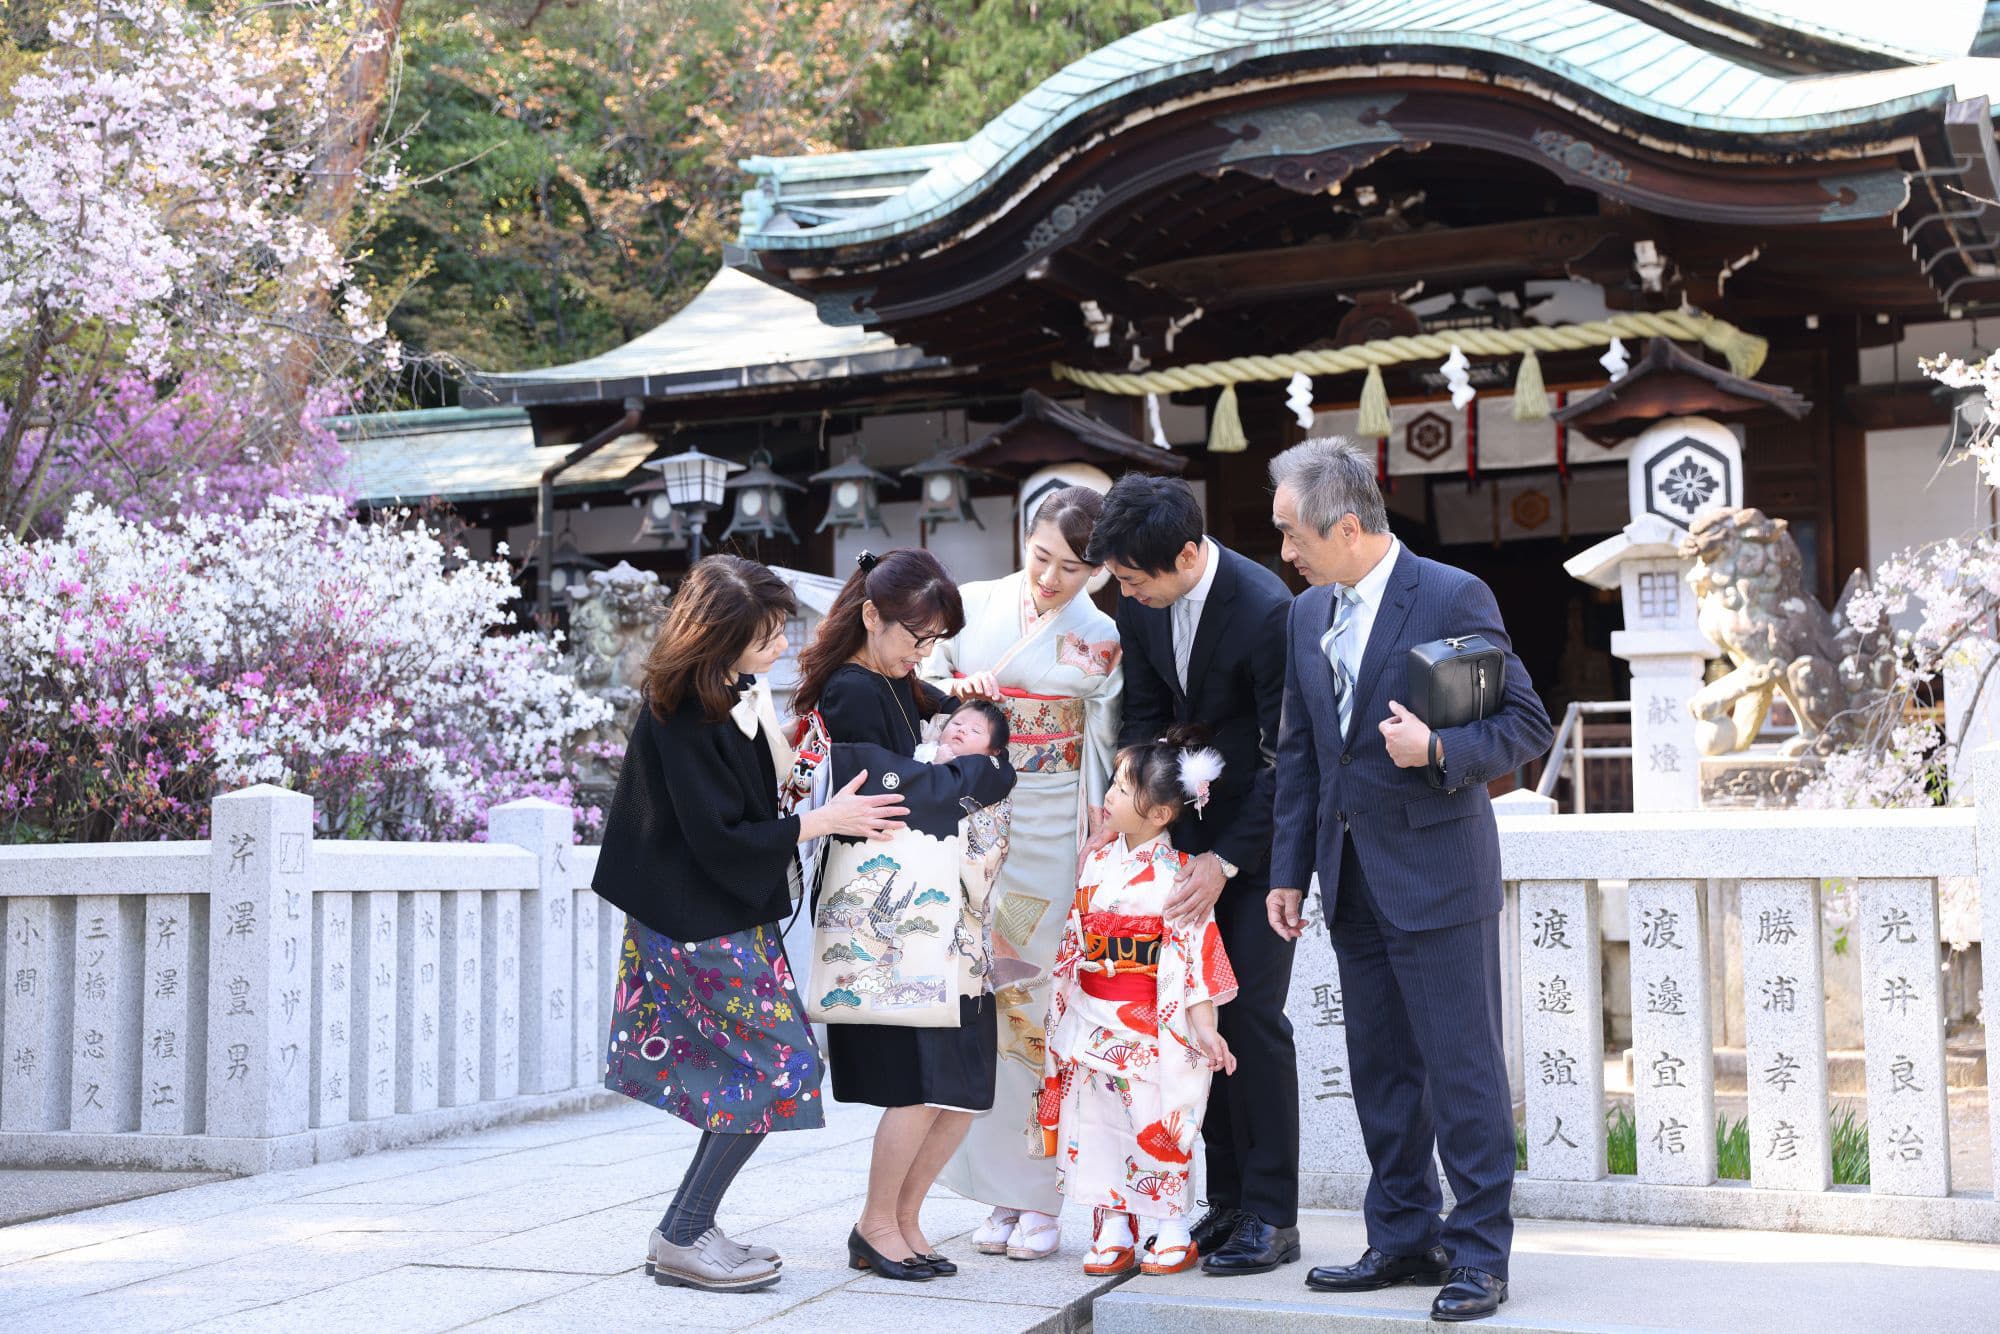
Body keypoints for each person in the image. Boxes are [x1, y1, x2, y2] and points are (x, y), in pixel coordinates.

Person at [1265, 438, 1553, 1324]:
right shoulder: (1305, 616)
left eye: (1293, 533)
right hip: (1350, 878)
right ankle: (1400, 1237)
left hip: (1439, 876)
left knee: (1462, 1073)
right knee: (1382, 1074)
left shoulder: (1450, 594)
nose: (1284, 551)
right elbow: (1303, 755)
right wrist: (1289, 871)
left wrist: (1438, 749)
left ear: (1347, 527)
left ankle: (1479, 1255)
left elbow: (1525, 723)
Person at [593, 555, 910, 1294]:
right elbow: (717, 836)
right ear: (719, 636)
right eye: (766, 635)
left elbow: (750, 795)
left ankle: (686, 1229)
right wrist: (823, 819)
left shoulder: (730, 688)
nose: (779, 645)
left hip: (719, 914)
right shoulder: (681, 710)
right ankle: (682, 1233)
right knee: (780, 1068)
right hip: (694, 921)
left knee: (761, 1069)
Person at [1082, 473, 1297, 1276]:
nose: (1126, 592)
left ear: (1184, 553)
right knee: (1186, 1021)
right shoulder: (1140, 603)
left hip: (1256, 843)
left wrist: (1226, 858)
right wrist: (1140, 821)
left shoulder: (1265, 607)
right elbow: (1143, 715)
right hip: (1179, 836)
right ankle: (1228, 1200)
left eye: (1133, 577)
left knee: (1251, 1020)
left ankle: (1272, 1213)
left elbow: (1283, 754)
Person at [792, 548, 1015, 1283]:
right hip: (892, 917)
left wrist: (964, 728)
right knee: (919, 1086)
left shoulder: (898, 682)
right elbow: (895, 793)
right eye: (916, 638)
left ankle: (906, 1220)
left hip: (939, 917)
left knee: (959, 1088)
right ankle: (876, 1224)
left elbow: (947, 742)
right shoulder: (853, 689)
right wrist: (984, 769)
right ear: (870, 617)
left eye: (933, 641)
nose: (923, 653)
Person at [926, 486, 1123, 1262]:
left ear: (1097, 571)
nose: (1049, 579)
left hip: (1047, 830)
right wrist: (952, 695)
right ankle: (992, 1188)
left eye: (1071, 568)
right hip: (970, 820)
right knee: (972, 992)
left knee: (1031, 997)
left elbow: (1106, 736)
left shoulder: (1101, 635)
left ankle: (1038, 1193)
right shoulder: (972, 604)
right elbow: (921, 676)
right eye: (1041, 557)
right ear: (1024, 537)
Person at [1039, 726, 1238, 1278]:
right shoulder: (1096, 862)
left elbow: (1194, 957)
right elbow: (1075, 938)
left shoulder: (1179, 874)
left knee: (1157, 1122)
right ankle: (1113, 1227)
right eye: (1113, 785)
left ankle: (1172, 1226)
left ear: (1159, 814)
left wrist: (1206, 1027)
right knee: (1096, 1124)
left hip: (1151, 1023)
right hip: (1090, 1013)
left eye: (1122, 790)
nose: (1108, 796)